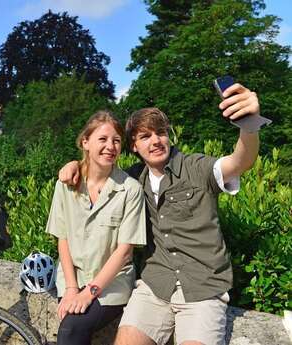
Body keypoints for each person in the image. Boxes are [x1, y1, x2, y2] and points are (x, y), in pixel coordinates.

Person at [58, 83, 261, 345]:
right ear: (134, 146)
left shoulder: (196, 167)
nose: (155, 141)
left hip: (203, 290)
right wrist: (74, 164)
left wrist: (249, 124)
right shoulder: (132, 180)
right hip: (156, 286)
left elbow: (239, 162)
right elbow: (98, 169)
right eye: (145, 136)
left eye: (161, 133)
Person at [46, 110, 147, 345]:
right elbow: (63, 238)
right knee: (72, 325)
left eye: (116, 140)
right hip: (73, 277)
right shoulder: (66, 185)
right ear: (85, 142)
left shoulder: (129, 190)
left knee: (71, 328)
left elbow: (124, 252)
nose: (110, 146)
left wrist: (89, 292)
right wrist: (71, 288)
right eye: (102, 139)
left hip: (111, 284)